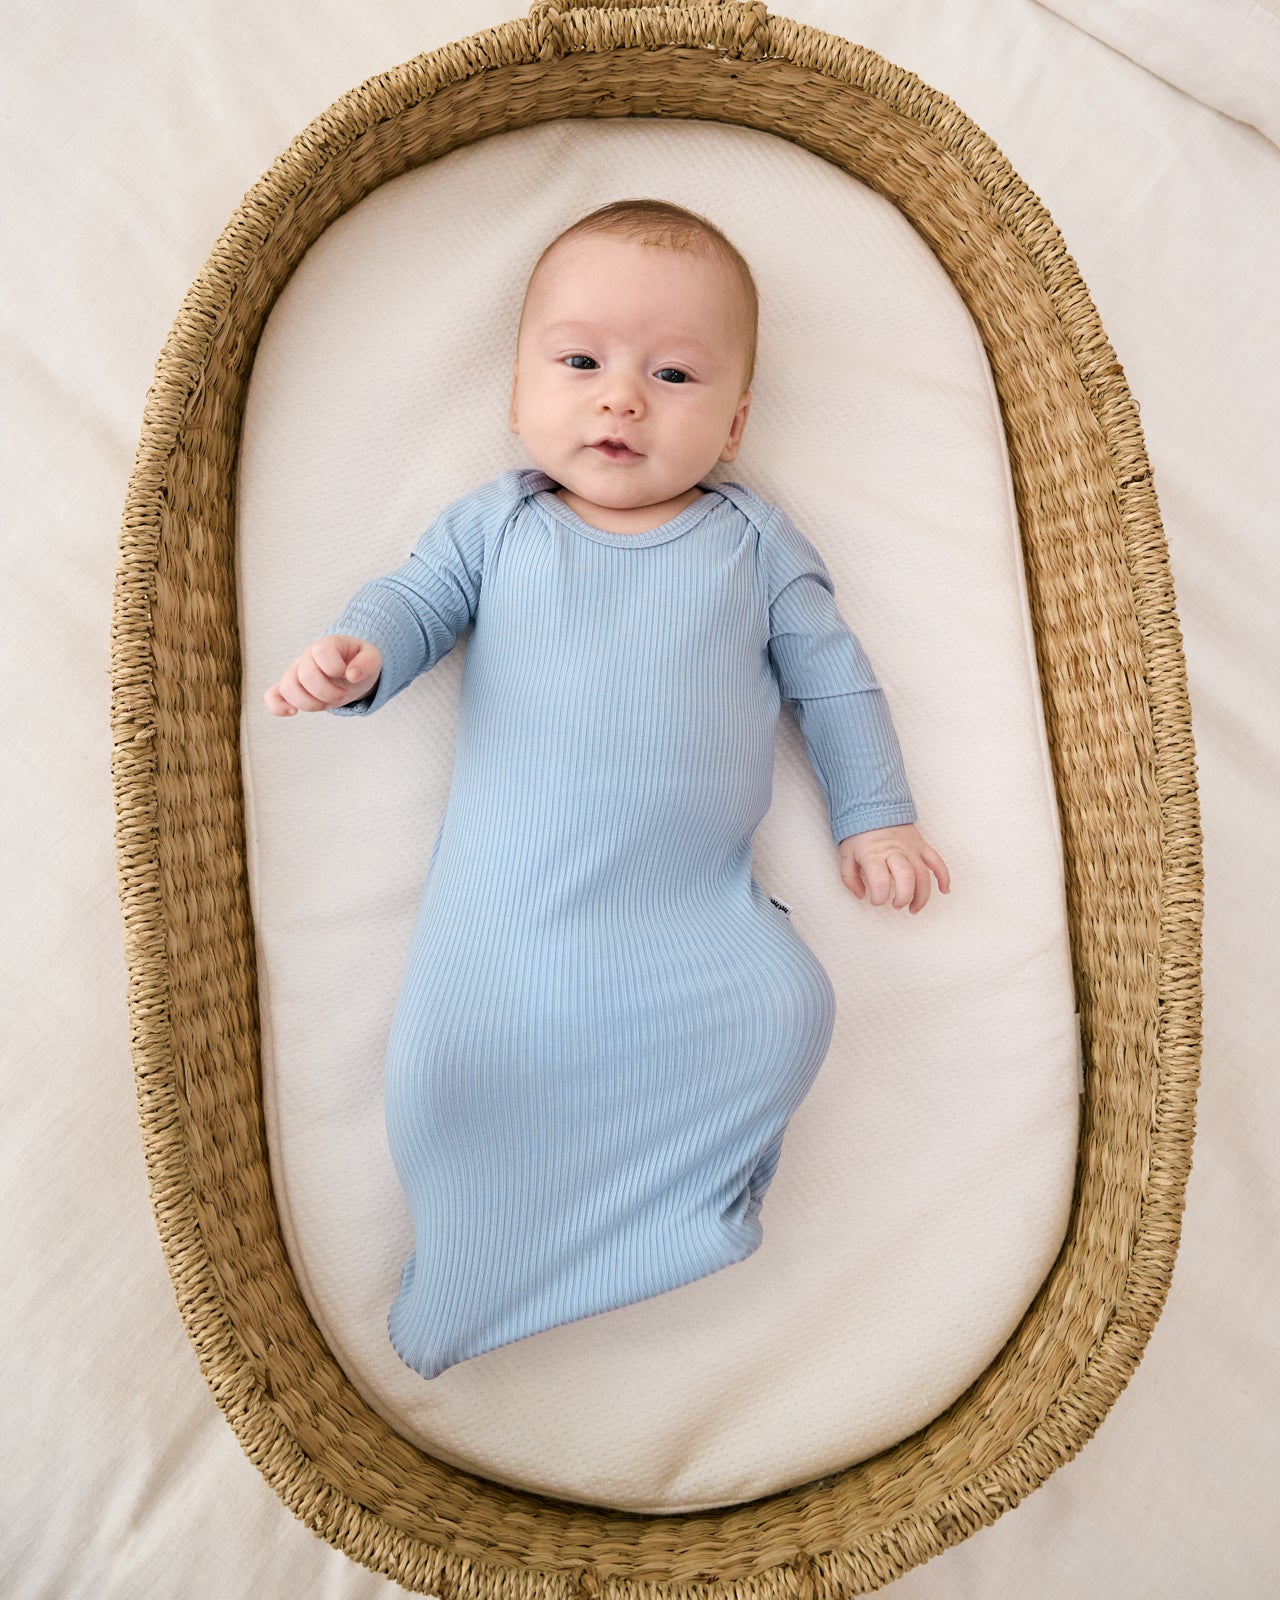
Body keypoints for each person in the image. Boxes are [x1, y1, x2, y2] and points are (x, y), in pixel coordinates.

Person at [263, 198, 951, 1380]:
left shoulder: (752, 542)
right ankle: (469, 1279)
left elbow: (833, 685)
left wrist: (875, 812)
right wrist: (358, 653)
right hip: (506, 921)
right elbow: (413, 600)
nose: (620, 396)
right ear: (517, 395)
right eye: (578, 361)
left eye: (672, 373)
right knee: (446, 1079)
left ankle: (670, 1219)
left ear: (733, 421)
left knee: (785, 1007)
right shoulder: (497, 525)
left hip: (687, 913)